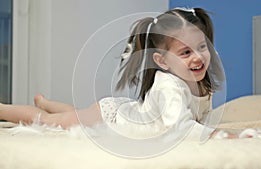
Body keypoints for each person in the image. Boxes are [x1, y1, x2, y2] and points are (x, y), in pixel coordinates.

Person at [0, 7, 229, 138]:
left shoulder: (199, 83)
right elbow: (181, 128)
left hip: (120, 110)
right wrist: (218, 135)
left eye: (202, 47)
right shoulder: (168, 86)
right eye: (186, 52)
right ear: (162, 61)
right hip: (111, 119)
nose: (198, 57)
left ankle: (48, 102)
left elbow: (196, 117)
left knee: (79, 115)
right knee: (51, 122)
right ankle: (5, 109)